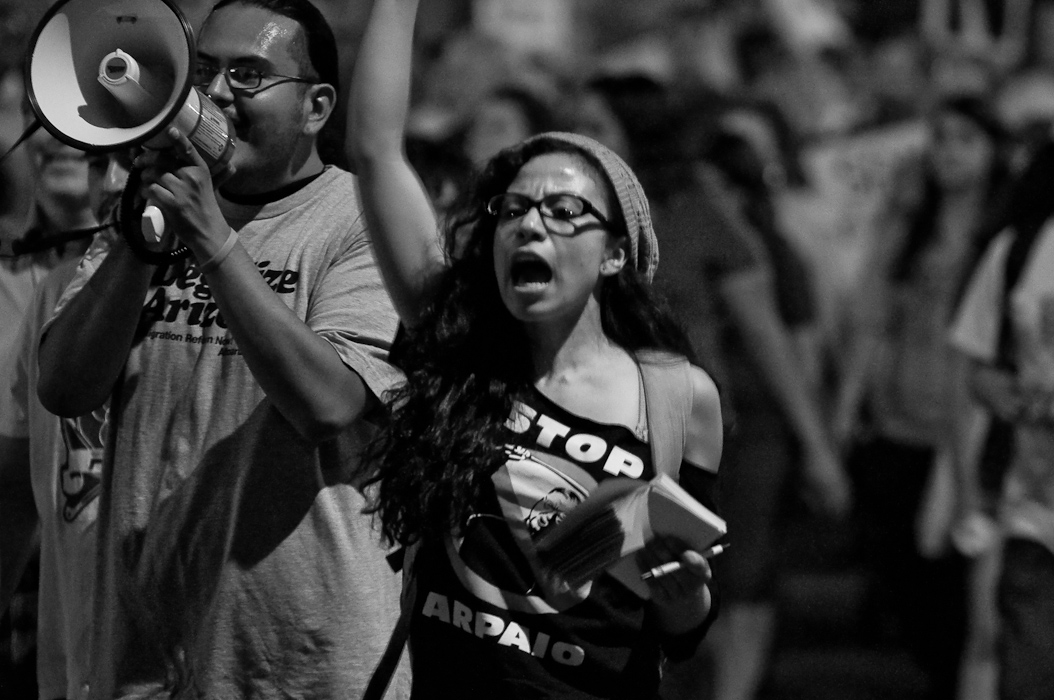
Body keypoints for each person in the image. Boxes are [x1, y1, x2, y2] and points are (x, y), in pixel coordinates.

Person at [347, 0, 723, 698]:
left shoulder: (677, 397)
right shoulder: (458, 346)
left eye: (563, 211)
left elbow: (684, 632)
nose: (529, 226)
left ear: (615, 254)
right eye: (513, 209)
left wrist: (682, 590)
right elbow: (374, 151)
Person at [35, 1, 408, 698]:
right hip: (147, 657)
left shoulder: (362, 224)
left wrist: (212, 240)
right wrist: (142, 244)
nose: (213, 94)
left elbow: (327, 405)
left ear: (317, 106)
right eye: (202, 70)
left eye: (248, 74)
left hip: (303, 664)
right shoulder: (149, 213)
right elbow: (63, 387)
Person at [833, 93, 1011, 700]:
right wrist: (846, 406)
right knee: (908, 573)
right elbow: (871, 317)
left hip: (973, 426)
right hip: (901, 420)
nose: (949, 152)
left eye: (965, 139)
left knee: (962, 581)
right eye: (940, 137)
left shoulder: (1008, 233)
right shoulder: (909, 227)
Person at [0, 151, 128, 700]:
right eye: (102, 163)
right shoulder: (56, 290)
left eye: (134, 160)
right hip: (69, 661)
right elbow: (15, 492)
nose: (117, 183)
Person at [949, 139, 1054, 700]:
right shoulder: (1023, 248)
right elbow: (976, 364)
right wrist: (1000, 391)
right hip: (1033, 511)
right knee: (1028, 669)